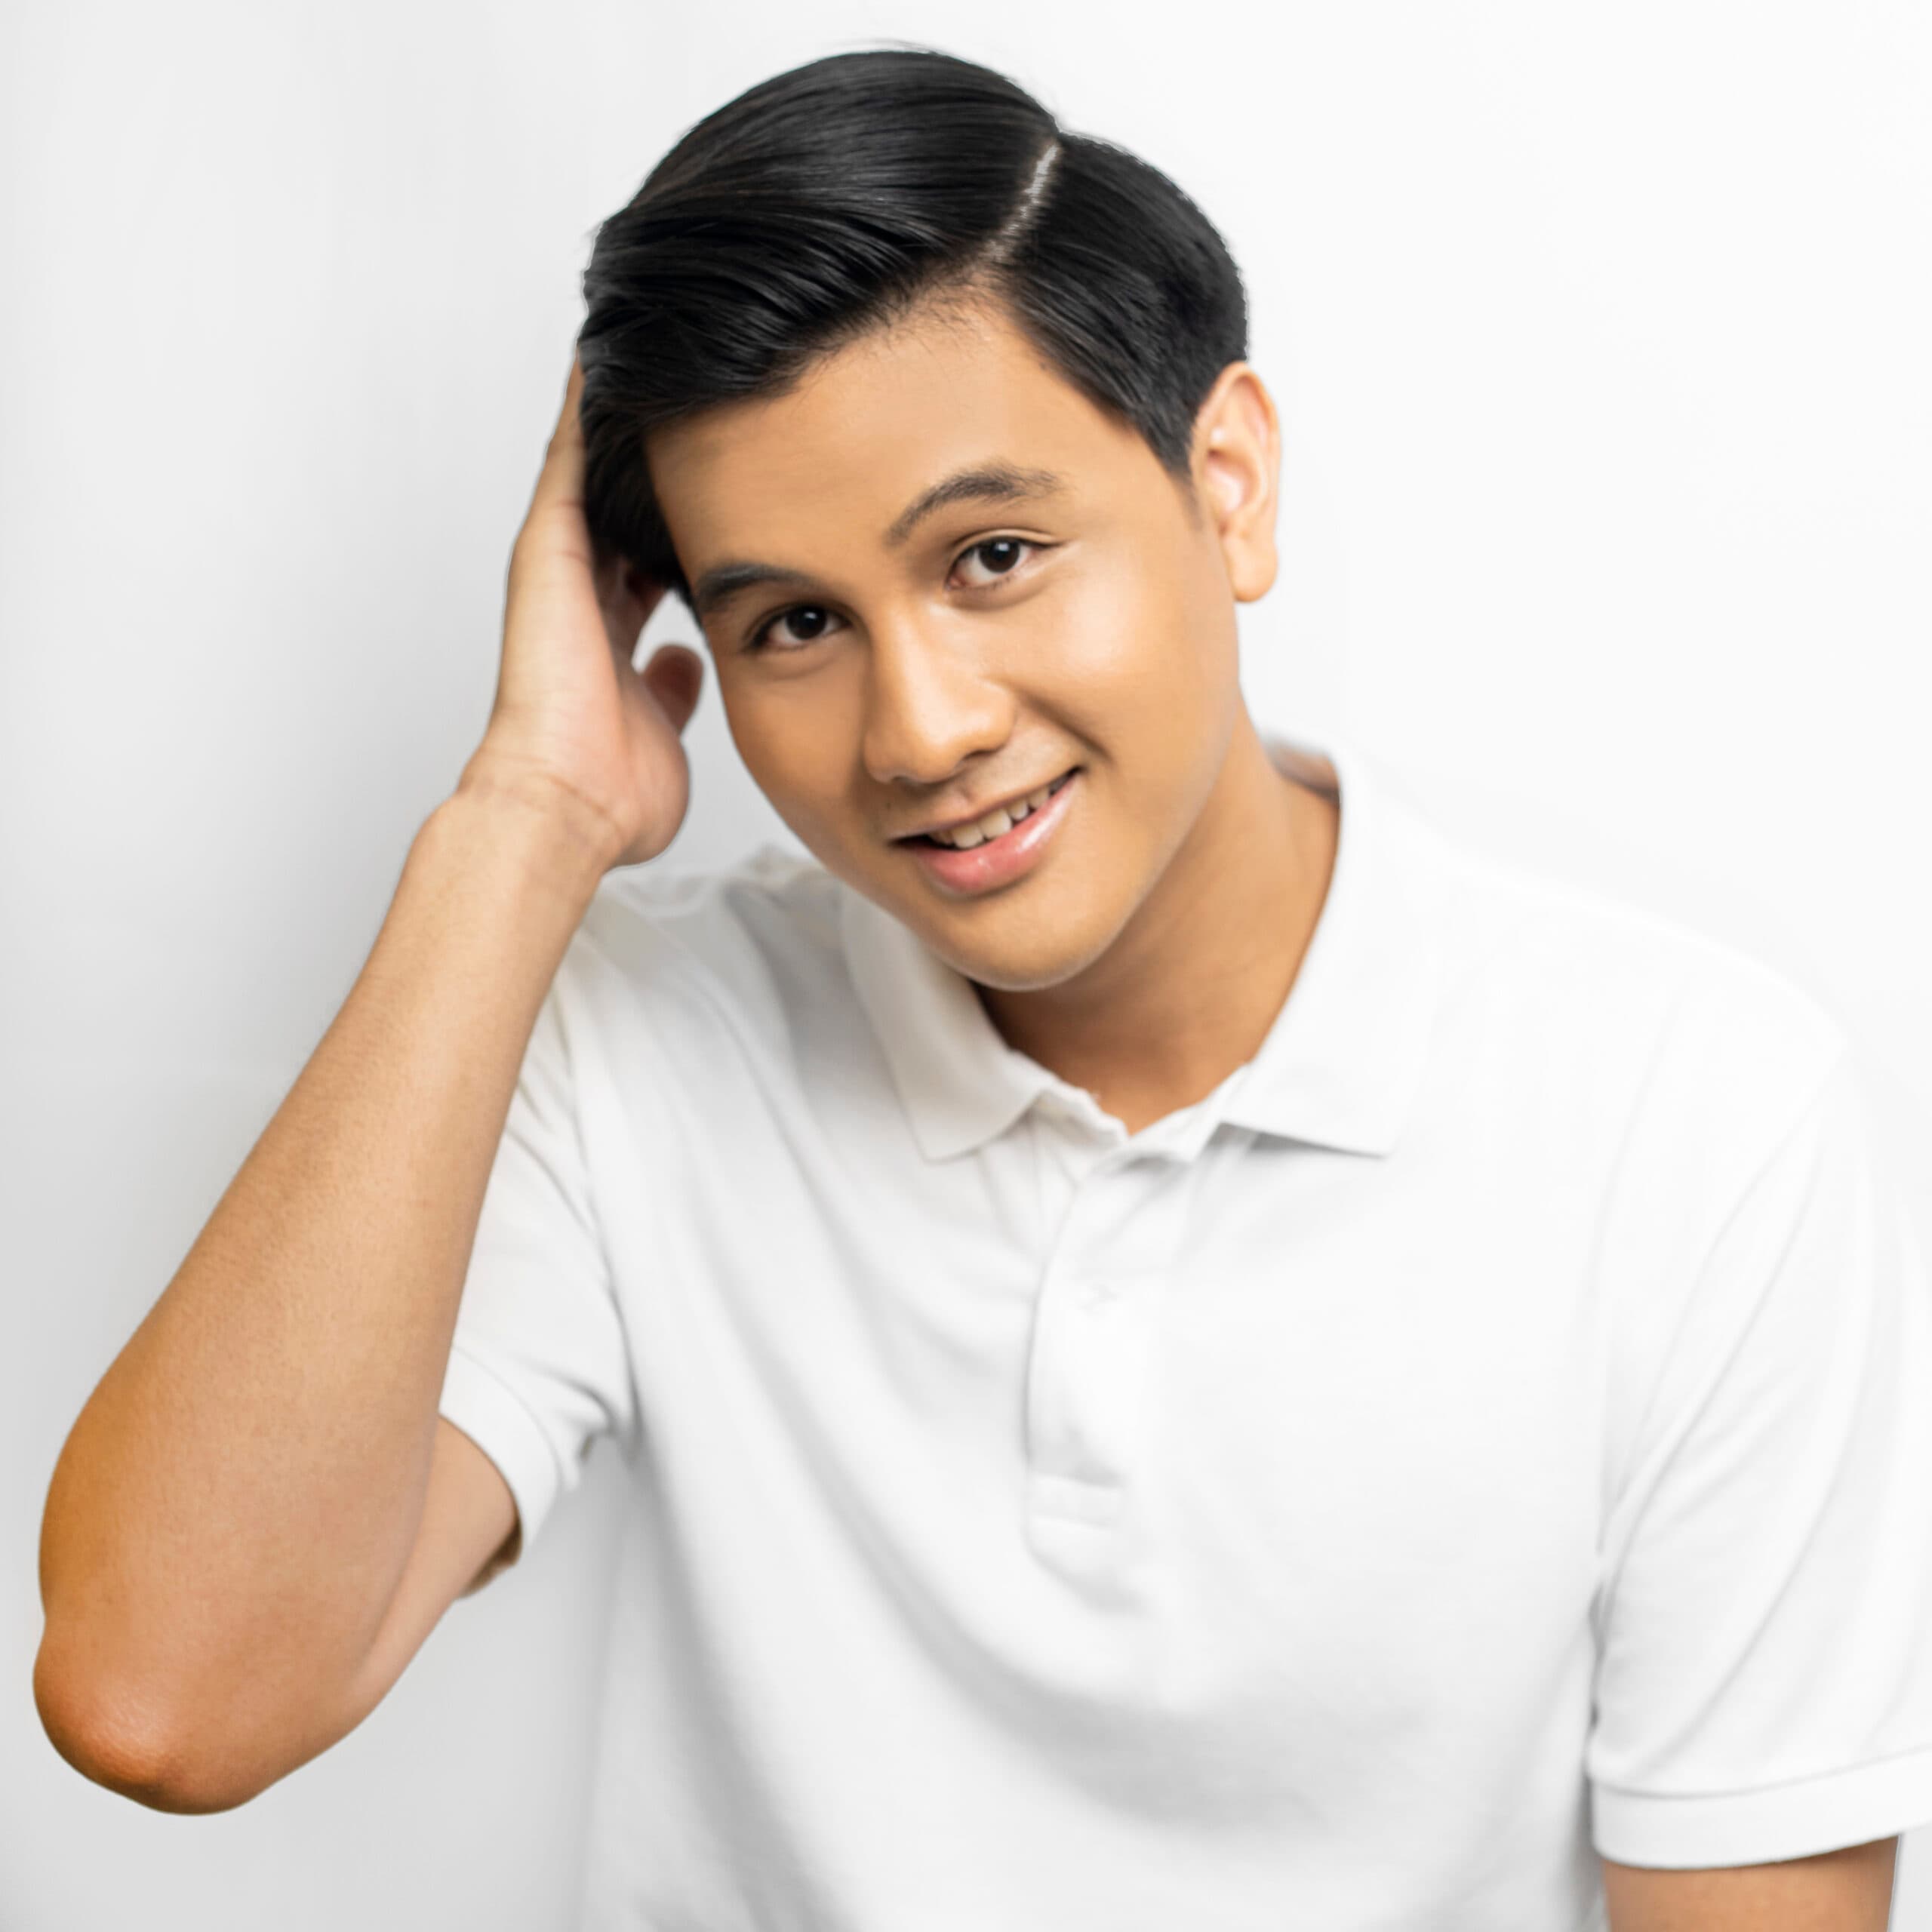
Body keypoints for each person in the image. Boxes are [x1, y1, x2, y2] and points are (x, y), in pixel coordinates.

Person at [33, 44, 1932, 1932]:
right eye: (793, 621)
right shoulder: (635, 1033)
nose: (919, 729)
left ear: (1227, 482)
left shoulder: (1692, 1116)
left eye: (993, 556)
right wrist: (522, 820)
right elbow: (163, 1698)